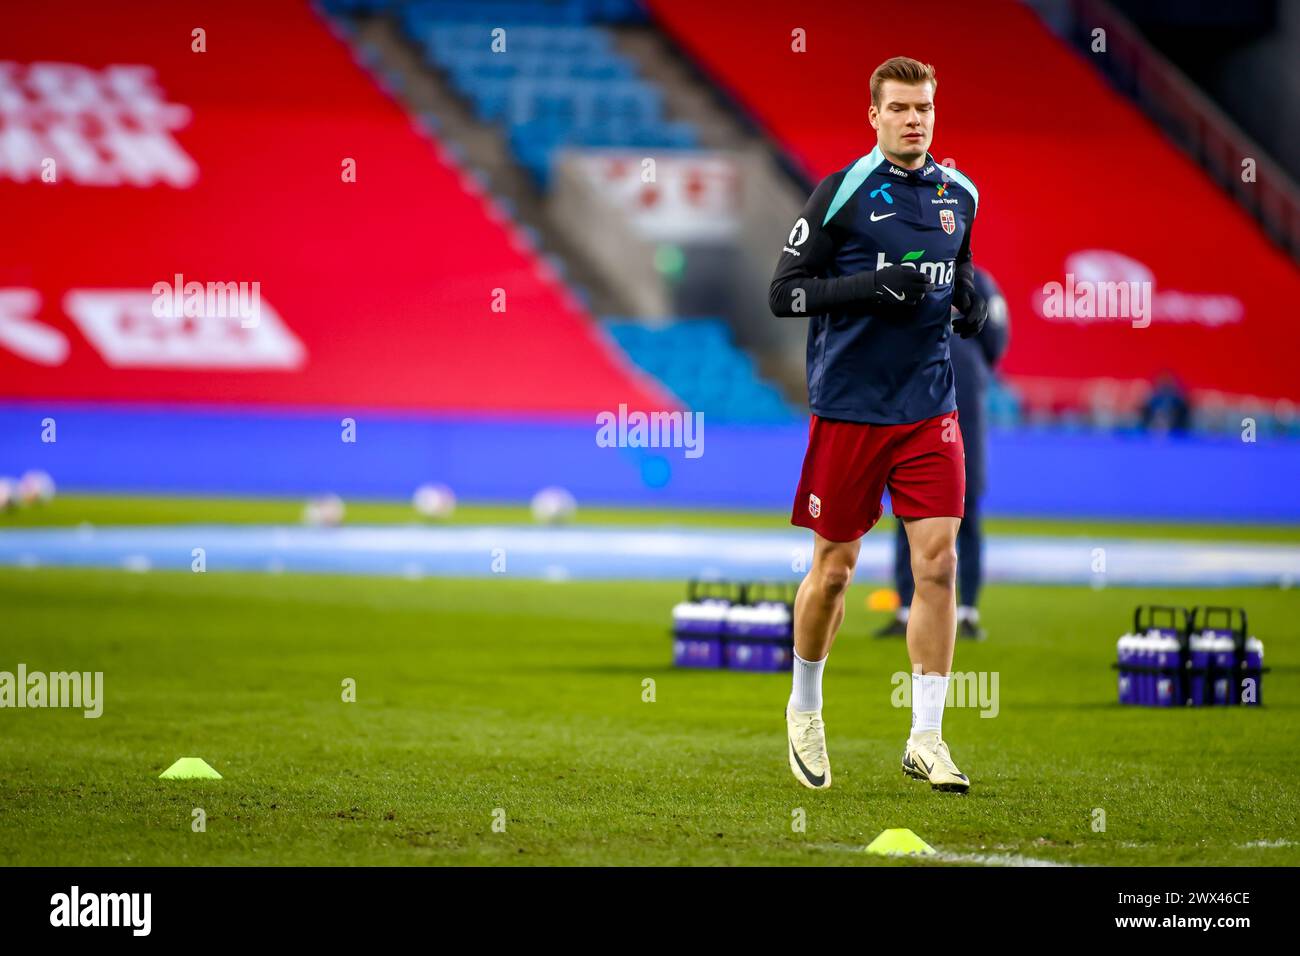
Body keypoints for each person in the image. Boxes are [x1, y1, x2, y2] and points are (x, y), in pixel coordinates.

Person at [769, 56, 986, 792]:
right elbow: (784, 295)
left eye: (924, 107)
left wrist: (972, 299)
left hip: (930, 407)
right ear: (874, 115)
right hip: (852, 410)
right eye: (899, 108)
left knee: (939, 565)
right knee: (834, 572)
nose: (914, 119)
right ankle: (805, 710)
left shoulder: (962, 194)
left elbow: (957, 272)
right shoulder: (841, 194)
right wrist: (867, 288)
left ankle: (927, 736)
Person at [877, 266, 1009, 641]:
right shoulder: (916, 271)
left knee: (965, 515)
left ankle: (966, 611)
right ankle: (906, 608)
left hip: (958, 408)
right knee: (908, 514)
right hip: (915, 407)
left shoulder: (977, 283)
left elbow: (995, 339)